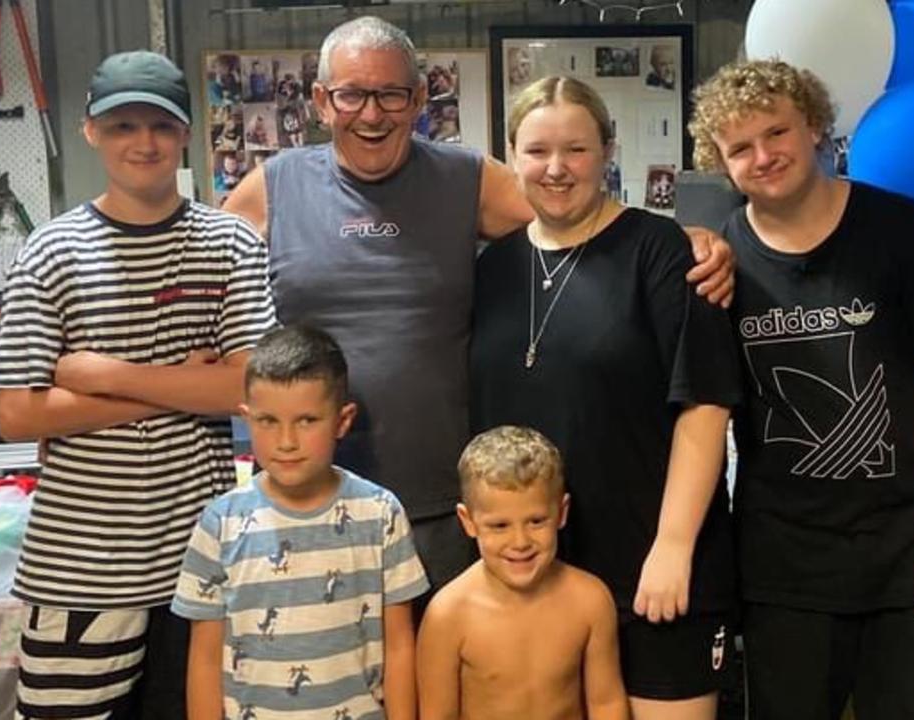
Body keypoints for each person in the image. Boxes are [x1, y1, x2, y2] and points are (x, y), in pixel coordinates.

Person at [222, 16, 736, 600]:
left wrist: (685, 239)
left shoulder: (465, 179)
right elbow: (208, 297)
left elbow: (573, 207)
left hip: (447, 512)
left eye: (391, 94)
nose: (371, 114)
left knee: (445, 684)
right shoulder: (270, 189)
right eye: (351, 94)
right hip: (307, 500)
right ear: (319, 100)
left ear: (418, 99)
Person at [689, 59, 914, 720]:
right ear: (717, 161)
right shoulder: (719, 261)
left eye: (777, 133)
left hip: (910, 553)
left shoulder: (902, 230)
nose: (763, 156)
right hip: (783, 566)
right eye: (739, 147)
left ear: (816, 128)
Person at [0, 50, 276, 719]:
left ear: (184, 133)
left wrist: (100, 376)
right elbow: (17, 415)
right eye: (123, 126)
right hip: (78, 568)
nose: (142, 142)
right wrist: (184, 381)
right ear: (91, 130)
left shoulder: (230, 243)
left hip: (200, 560)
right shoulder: (51, 251)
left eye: (159, 125)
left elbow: (250, 391)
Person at [470, 76, 743, 720]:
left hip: (652, 566)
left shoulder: (667, 254)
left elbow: (704, 407)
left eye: (577, 150)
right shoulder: (493, 269)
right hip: (537, 568)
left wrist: (673, 547)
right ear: (511, 156)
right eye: (537, 151)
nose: (556, 169)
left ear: (608, 152)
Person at [172, 325, 428, 720]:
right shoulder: (219, 523)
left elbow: (399, 646)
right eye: (268, 421)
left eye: (306, 420)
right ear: (247, 418)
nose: (286, 441)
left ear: (342, 421)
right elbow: (205, 659)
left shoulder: (381, 514)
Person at [418, 425, 629, 720]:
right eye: (499, 525)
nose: (520, 542)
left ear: (562, 511)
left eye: (536, 521)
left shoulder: (591, 600)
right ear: (468, 521)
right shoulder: (447, 615)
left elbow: (606, 704)